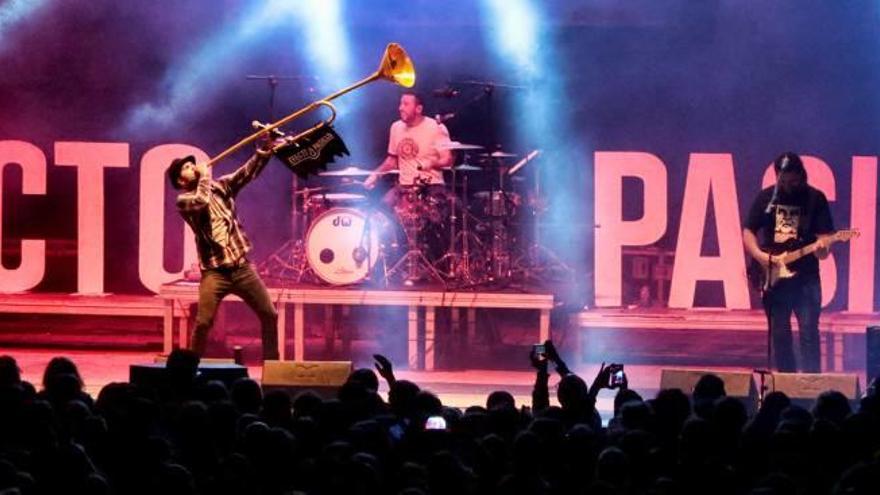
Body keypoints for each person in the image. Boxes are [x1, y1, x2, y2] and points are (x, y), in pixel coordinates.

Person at [167, 142, 280, 361]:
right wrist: (204, 176)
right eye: (187, 168)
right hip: (214, 273)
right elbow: (201, 201)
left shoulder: (221, 186)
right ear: (181, 181)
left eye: (193, 164)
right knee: (203, 322)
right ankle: (189, 370)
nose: (193, 167)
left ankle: (273, 367)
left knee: (269, 314)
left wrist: (265, 149)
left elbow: (246, 173)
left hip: (242, 268)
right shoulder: (184, 201)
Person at [743, 152, 834, 373]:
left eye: (793, 181)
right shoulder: (766, 198)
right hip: (775, 280)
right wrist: (760, 256)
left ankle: (811, 387)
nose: (788, 186)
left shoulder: (815, 199)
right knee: (780, 335)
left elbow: (824, 242)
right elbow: (748, 231)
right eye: (783, 182)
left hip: (806, 279)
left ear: (802, 176)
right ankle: (785, 385)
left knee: (809, 334)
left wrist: (822, 249)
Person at [364, 91, 454, 264]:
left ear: (418, 108)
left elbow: (447, 159)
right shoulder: (396, 127)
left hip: (431, 186)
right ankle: (389, 260)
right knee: (379, 212)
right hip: (404, 187)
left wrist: (431, 163)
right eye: (400, 104)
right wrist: (375, 175)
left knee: (430, 223)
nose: (400, 108)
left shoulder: (436, 127)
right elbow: (391, 160)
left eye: (405, 104)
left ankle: (433, 262)